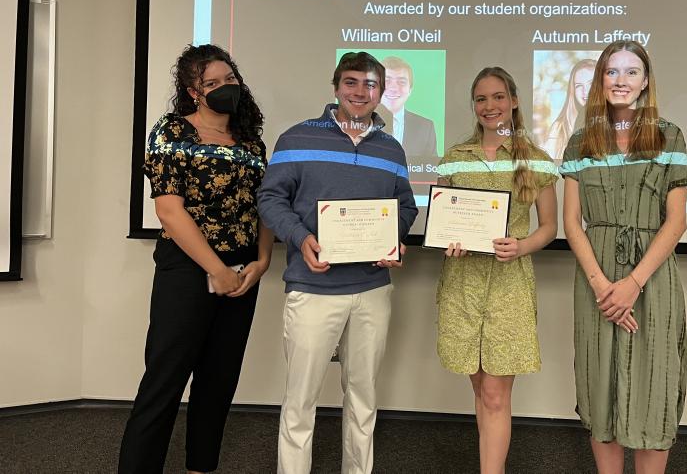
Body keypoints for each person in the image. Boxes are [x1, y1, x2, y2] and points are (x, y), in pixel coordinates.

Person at [257, 51, 418, 474]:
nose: (360, 92)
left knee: (363, 400)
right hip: (312, 289)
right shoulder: (296, 138)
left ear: (381, 92)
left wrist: (394, 240)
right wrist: (301, 237)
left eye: (370, 84)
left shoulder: (392, 148)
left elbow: (404, 207)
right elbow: (270, 199)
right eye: (351, 82)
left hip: (372, 290)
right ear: (335, 87)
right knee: (300, 402)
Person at [119, 44, 273, 474]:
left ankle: (200, 467)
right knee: (163, 382)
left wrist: (261, 261)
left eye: (230, 79)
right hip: (188, 269)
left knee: (218, 383)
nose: (225, 87)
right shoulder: (171, 133)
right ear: (192, 92)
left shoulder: (250, 142)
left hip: (243, 271)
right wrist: (216, 269)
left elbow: (264, 204)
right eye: (212, 83)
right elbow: (169, 210)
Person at [560, 40, 687, 474]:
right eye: (612, 72)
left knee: (653, 389)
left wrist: (631, 284)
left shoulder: (669, 136)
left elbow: (675, 224)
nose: (621, 80)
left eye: (631, 72)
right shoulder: (580, 142)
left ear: (645, 81)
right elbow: (572, 224)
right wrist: (603, 285)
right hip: (595, 281)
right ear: (600, 81)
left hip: (650, 281)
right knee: (602, 391)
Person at [435, 67, 558, 474]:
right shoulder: (455, 157)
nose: (491, 106)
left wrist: (522, 245)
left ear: (515, 101)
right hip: (463, 285)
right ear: (474, 105)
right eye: (482, 99)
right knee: (478, 386)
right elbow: (444, 219)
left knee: (495, 393)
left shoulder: (536, 161)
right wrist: (449, 240)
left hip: (509, 286)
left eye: (499, 97)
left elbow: (549, 228)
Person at [379, 55, 438, 157]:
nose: (393, 88)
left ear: (410, 90)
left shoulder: (426, 127)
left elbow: (431, 169)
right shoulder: (358, 123)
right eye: (387, 81)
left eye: (401, 82)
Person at [542, 57, 596, 159]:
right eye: (579, 86)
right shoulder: (559, 128)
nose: (586, 91)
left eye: (591, 84)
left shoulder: (618, 122)